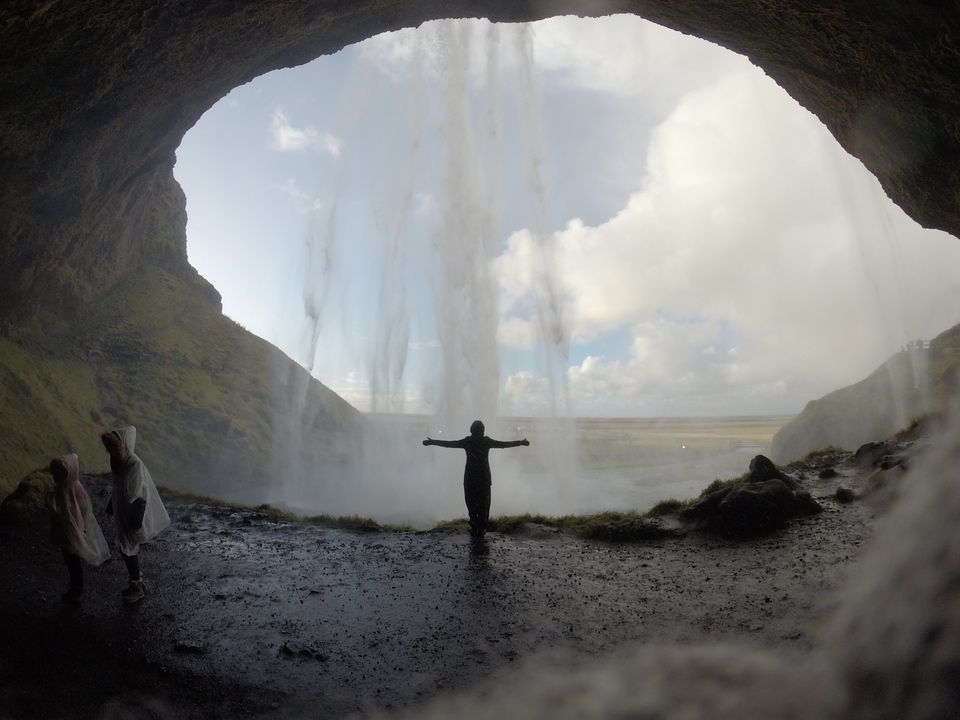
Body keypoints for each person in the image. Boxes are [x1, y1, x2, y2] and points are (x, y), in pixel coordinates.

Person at [423, 420, 529, 537]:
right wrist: (520, 442)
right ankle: (482, 527)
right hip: (484, 477)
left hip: (470, 476)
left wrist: (433, 442)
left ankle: (474, 525)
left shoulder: (468, 441)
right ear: (483, 431)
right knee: (484, 503)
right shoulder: (486, 441)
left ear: (471, 430)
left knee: (471, 502)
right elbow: (503, 444)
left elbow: (449, 444)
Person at [102, 426, 170, 603]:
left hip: (132, 514)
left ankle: (137, 586)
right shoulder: (120, 461)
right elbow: (117, 488)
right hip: (124, 513)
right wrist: (111, 507)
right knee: (126, 549)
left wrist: (135, 522)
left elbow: (139, 496)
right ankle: (135, 582)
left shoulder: (133, 465)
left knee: (128, 549)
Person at [47, 454, 111, 603]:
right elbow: (84, 511)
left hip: (68, 532)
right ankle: (76, 586)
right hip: (72, 531)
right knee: (72, 559)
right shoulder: (73, 488)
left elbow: (67, 513)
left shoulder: (67, 491)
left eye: (59, 474)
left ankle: (76, 588)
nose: (56, 477)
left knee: (72, 560)